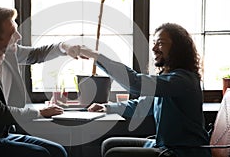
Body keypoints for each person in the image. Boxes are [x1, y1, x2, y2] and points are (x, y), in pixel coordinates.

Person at [0, 6, 81, 157]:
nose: (19, 37)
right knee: (41, 155)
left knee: (58, 152)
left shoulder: (5, 51)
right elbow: (0, 113)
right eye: (12, 34)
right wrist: (39, 112)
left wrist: (64, 47)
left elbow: (35, 54)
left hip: (2, 136)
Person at [79, 23, 211, 157]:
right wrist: (107, 108)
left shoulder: (182, 80)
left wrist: (97, 56)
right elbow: (142, 106)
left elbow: (135, 82)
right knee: (109, 143)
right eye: (154, 43)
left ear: (178, 48)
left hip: (182, 152)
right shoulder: (168, 79)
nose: (154, 48)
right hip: (163, 145)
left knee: (114, 153)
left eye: (160, 43)